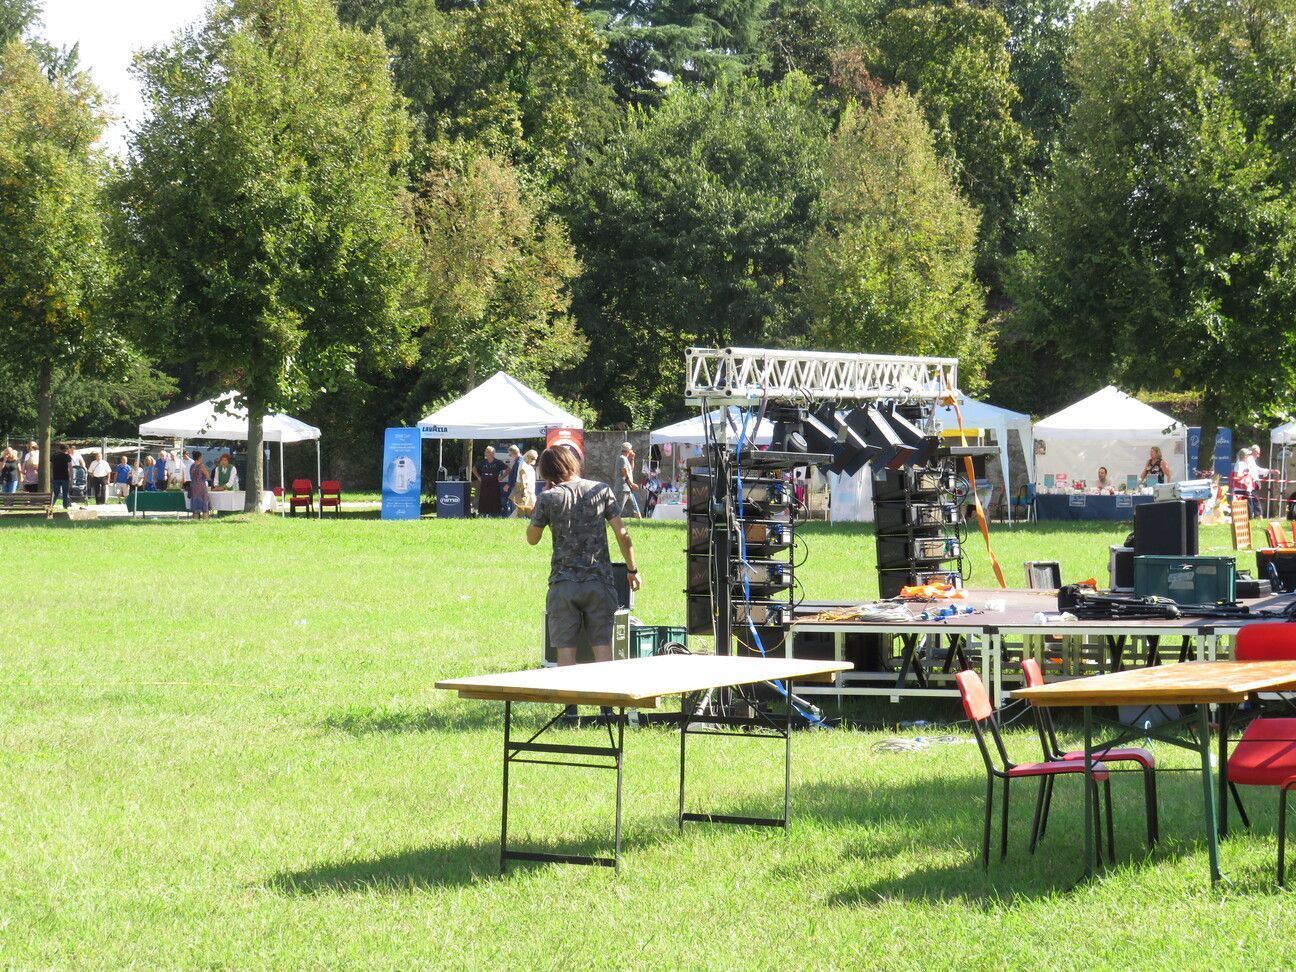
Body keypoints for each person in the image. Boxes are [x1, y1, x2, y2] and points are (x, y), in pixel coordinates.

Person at [527, 445, 641, 684]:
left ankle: (570, 711)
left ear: (547, 472)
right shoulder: (601, 490)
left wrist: (539, 509)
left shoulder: (548, 498)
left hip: (563, 583)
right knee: (602, 648)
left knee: (565, 651)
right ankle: (606, 707)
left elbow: (532, 539)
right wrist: (632, 570)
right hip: (599, 581)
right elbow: (623, 534)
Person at [472, 446, 506, 517]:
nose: (485, 453)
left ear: (492, 453)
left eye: (487, 452)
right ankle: (483, 514)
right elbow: (474, 468)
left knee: (495, 499)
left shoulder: (498, 462)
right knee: (484, 499)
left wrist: (501, 477)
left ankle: (495, 515)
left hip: (494, 484)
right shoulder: (482, 462)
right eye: (485, 451)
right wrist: (478, 477)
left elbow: (508, 469)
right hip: (484, 484)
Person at [612, 441, 642, 519]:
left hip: (628, 488)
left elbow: (630, 470)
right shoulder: (622, 458)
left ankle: (640, 522)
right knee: (618, 509)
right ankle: (612, 522)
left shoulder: (625, 459)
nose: (632, 451)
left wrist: (632, 459)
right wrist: (632, 484)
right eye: (631, 449)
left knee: (635, 508)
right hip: (622, 488)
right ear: (628, 450)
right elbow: (625, 474)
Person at [511, 449, 538, 517]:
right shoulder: (523, 465)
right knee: (520, 509)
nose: (534, 460)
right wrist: (524, 490)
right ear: (528, 456)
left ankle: (535, 522)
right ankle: (510, 520)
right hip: (524, 489)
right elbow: (522, 478)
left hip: (530, 490)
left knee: (533, 507)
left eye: (535, 458)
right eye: (532, 458)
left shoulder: (527, 464)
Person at [50, 443, 72, 509]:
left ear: (60, 448)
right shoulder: (67, 456)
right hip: (65, 477)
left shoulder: (54, 456)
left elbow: (51, 466)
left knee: (55, 492)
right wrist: (70, 477)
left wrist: (51, 475)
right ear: (66, 449)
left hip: (56, 476)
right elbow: (70, 467)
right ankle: (65, 506)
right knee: (65, 493)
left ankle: (51, 504)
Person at [189, 453, 212, 518]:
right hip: (201, 486)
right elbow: (208, 477)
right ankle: (205, 519)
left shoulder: (192, 466)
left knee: (195, 505)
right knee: (204, 505)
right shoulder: (201, 466)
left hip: (193, 486)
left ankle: (195, 520)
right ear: (200, 457)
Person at [502, 445, 522, 517]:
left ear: (514, 453)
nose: (510, 456)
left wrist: (508, 484)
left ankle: (515, 517)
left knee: (513, 503)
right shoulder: (520, 461)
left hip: (515, 486)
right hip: (516, 485)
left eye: (510, 454)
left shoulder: (518, 462)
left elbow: (515, 476)